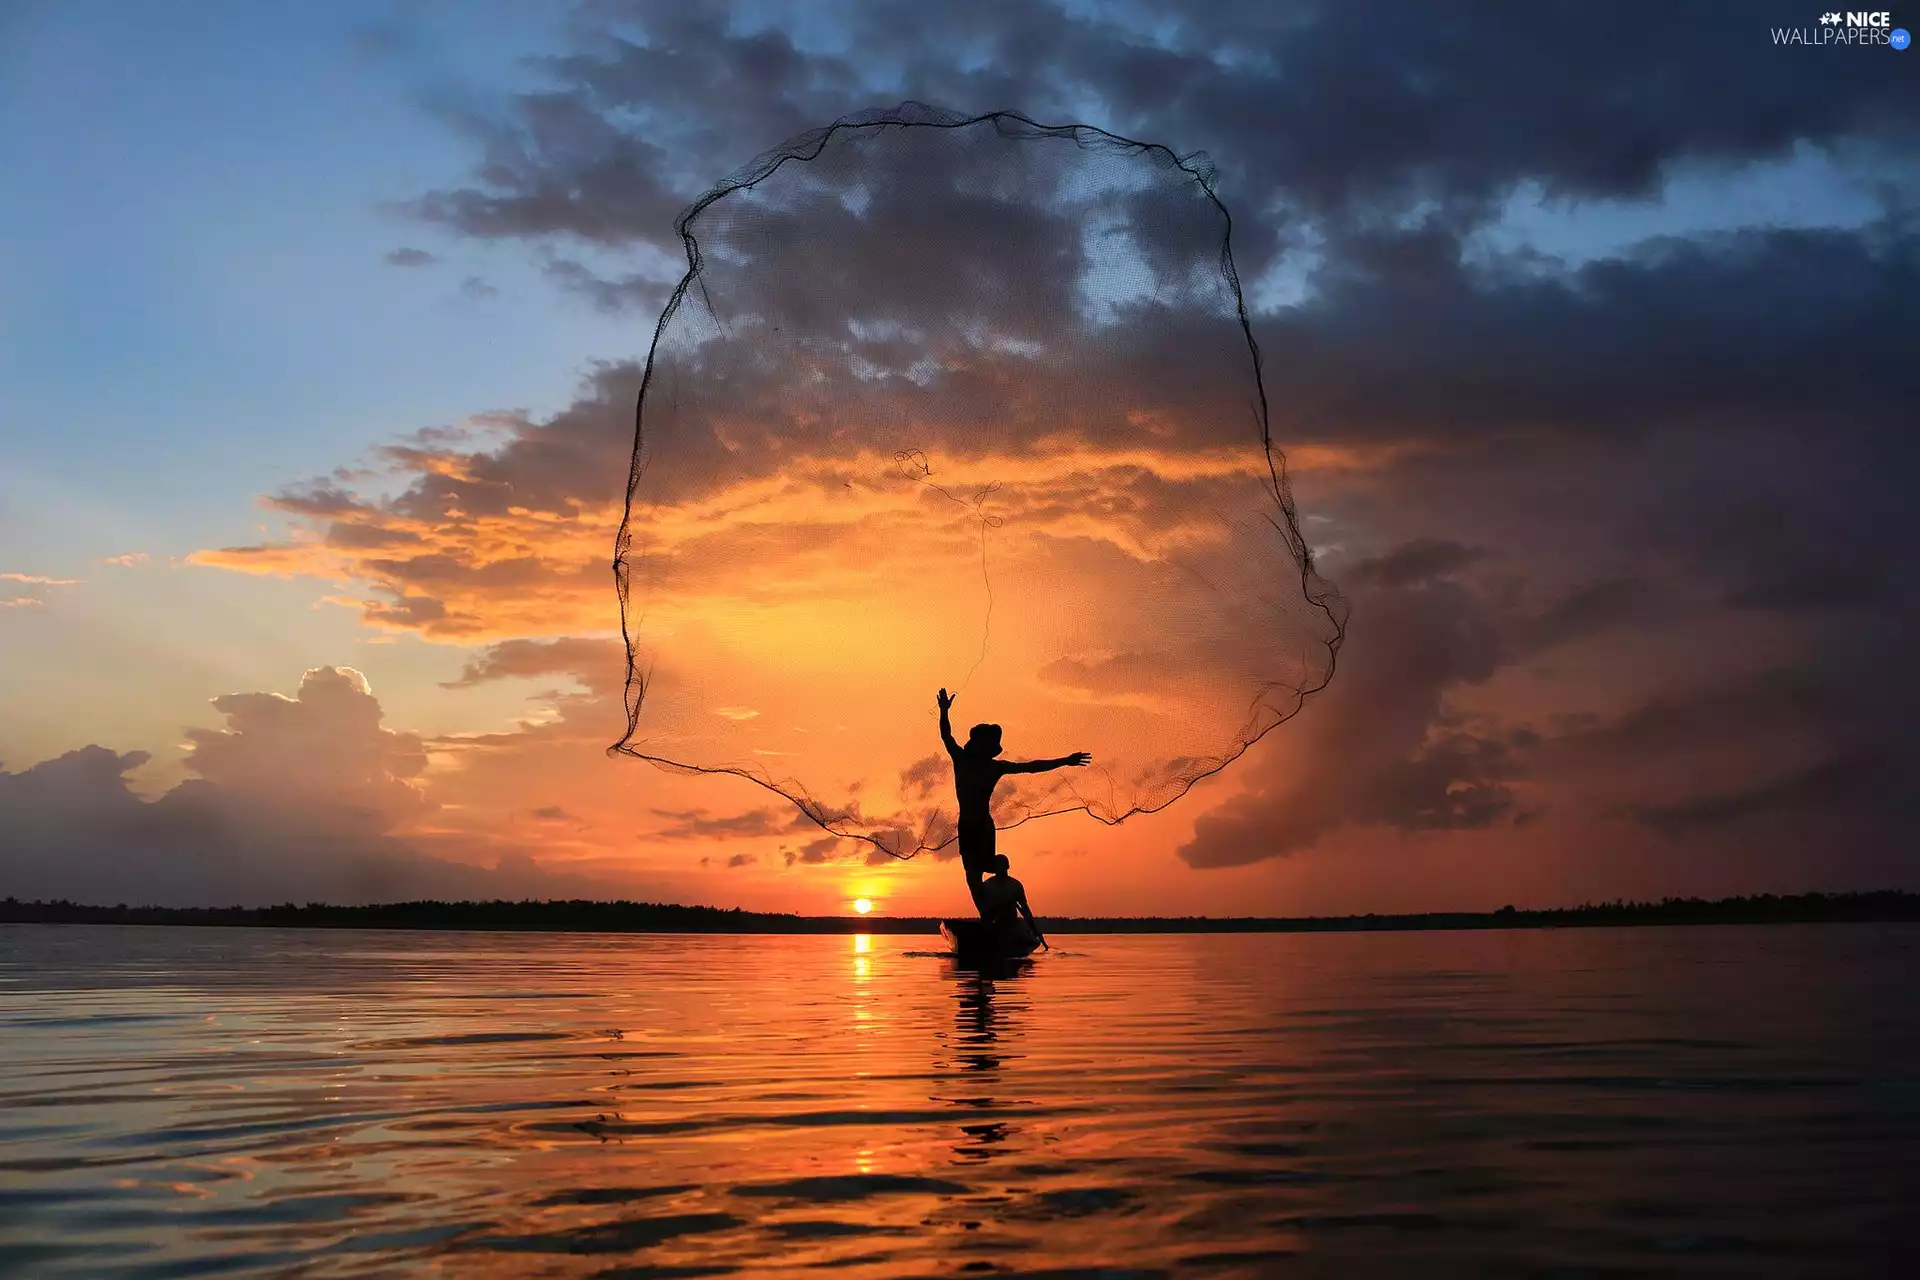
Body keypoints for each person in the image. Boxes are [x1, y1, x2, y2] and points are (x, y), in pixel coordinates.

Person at [937, 687, 1088, 917]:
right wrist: (944, 711)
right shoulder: (961, 758)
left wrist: (1065, 760)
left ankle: (1007, 896)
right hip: (967, 826)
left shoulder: (995, 767)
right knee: (972, 874)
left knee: (986, 866)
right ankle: (988, 915)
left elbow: (1031, 767)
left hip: (983, 825)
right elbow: (946, 736)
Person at [977, 853, 1048, 951]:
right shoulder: (987, 885)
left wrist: (1034, 929)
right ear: (994, 868)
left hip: (1011, 923)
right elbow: (984, 908)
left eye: (1002, 865)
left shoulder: (1015, 885)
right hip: (993, 924)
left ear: (1008, 866)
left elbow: (1024, 909)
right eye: (998, 865)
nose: (1000, 868)